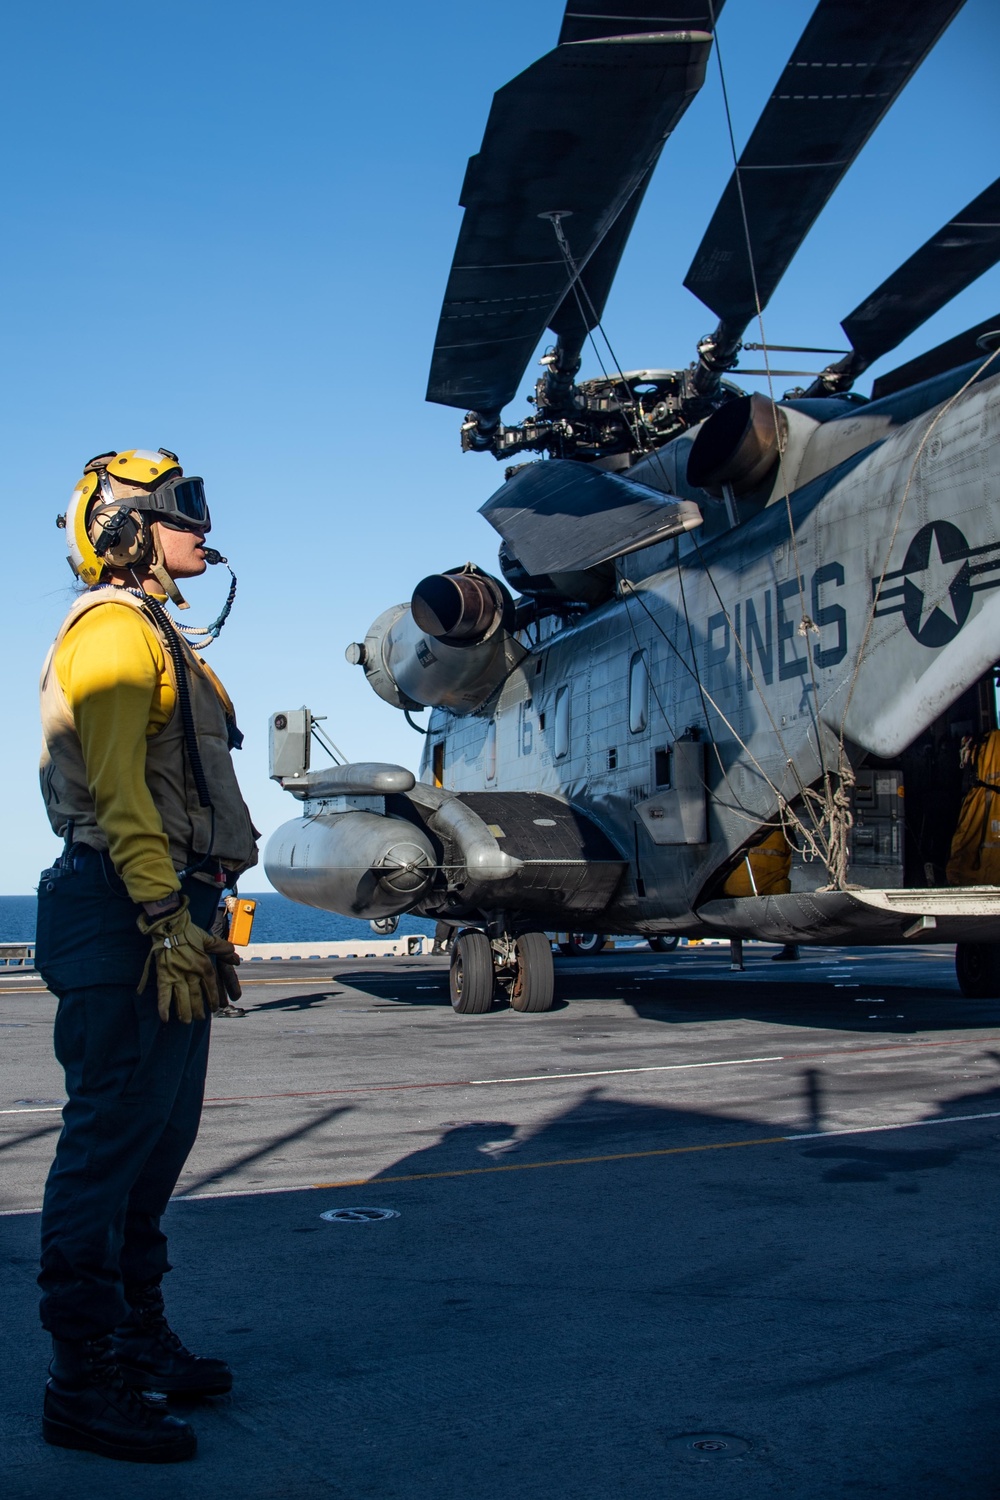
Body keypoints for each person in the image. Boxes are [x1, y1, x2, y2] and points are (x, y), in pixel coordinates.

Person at [34, 448, 259, 1464]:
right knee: (110, 1139)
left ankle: (135, 1331)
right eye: (182, 511)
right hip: (129, 907)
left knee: (157, 1140)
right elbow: (120, 789)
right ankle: (84, 1378)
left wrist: (196, 912)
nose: (202, 527)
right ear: (127, 532)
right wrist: (166, 914)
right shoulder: (115, 635)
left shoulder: (164, 635)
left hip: (172, 908)